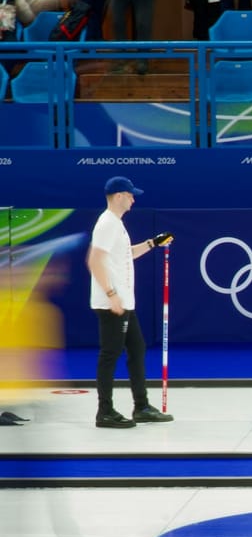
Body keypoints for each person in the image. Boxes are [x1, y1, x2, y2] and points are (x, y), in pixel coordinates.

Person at [87, 176, 174, 428]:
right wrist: (112, 295)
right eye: (130, 195)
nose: (134, 199)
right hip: (112, 302)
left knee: (137, 348)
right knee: (110, 354)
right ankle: (105, 411)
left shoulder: (116, 224)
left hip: (124, 301)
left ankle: (142, 406)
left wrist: (152, 243)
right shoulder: (107, 224)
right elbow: (95, 261)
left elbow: (125, 255)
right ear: (118, 196)